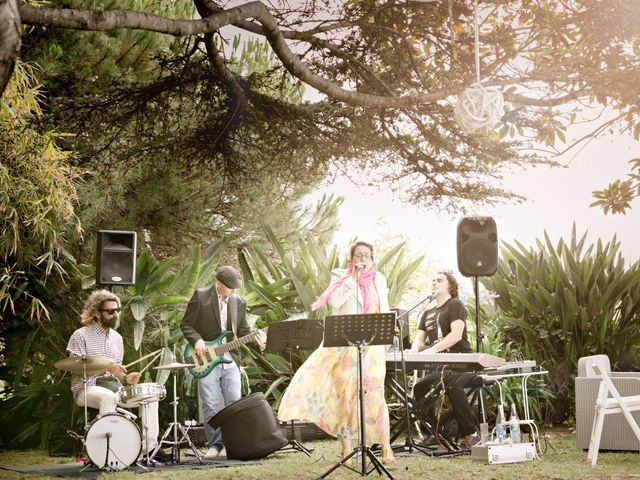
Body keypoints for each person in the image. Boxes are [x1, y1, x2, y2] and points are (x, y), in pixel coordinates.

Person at [278, 241, 395, 465]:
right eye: (358, 256)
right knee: (345, 396)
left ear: (373, 259)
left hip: (372, 347)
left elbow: (385, 307)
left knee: (375, 393)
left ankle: (385, 446)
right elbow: (334, 302)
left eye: (367, 256)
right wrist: (353, 278)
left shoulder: (379, 279)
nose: (363, 259)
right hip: (343, 347)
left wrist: (386, 338)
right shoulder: (340, 276)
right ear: (351, 260)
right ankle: (346, 451)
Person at [66, 289, 170, 463]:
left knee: (150, 396)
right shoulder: (81, 335)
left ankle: (149, 449)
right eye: (110, 311)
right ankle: (108, 451)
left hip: (115, 388)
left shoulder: (117, 338)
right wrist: (106, 367)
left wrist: (127, 378)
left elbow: (118, 373)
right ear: (97, 313)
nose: (115, 314)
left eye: (117, 311)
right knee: (107, 397)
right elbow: (76, 370)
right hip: (86, 388)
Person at [180, 265, 266, 459]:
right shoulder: (201, 296)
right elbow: (186, 324)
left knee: (234, 403)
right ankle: (214, 445)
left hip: (230, 358)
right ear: (218, 284)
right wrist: (197, 340)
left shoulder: (239, 302)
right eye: (231, 287)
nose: (234, 291)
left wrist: (259, 342)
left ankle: (232, 444)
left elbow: (243, 333)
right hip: (205, 358)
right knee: (210, 404)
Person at [409, 270, 481, 448]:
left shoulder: (455, 305)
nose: (434, 283)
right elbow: (419, 339)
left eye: (439, 280)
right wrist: (413, 350)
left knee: (449, 380)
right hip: (441, 367)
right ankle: (434, 433)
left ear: (450, 286)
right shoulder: (427, 313)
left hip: (462, 364)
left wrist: (431, 350)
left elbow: (456, 335)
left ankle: (470, 433)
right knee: (420, 388)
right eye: (432, 280)